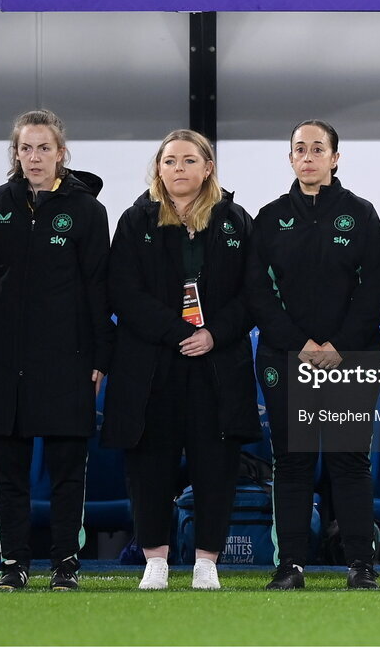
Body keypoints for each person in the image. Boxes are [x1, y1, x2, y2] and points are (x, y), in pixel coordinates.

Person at [101, 129, 260, 590]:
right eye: (169, 161)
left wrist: (213, 334)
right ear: (158, 168)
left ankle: (207, 562)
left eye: (189, 160)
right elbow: (124, 291)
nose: (178, 169)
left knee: (216, 462)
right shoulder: (136, 219)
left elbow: (254, 293)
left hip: (217, 362)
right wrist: (179, 333)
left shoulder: (236, 220)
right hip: (152, 363)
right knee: (150, 461)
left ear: (207, 168)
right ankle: (155, 560)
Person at [0, 109, 113, 591]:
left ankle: (65, 563)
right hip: (2, 360)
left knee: (67, 470)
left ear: (61, 153)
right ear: (15, 153)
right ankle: (13, 563)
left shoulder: (88, 211)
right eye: (26, 148)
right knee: (7, 471)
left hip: (67, 359)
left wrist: (101, 357)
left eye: (44, 148)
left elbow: (99, 289)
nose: (34, 157)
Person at [247, 120, 380, 590]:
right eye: (299, 149)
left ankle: (360, 565)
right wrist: (300, 345)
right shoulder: (269, 218)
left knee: (350, 460)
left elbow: (374, 289)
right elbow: (258, 292)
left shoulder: (361, 214)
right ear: (290, 158)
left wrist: (337, 347)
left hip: (352, 359)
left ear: (335, 158)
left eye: (317, 149)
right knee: (292, 461)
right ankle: (290, 565)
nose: (308, 157)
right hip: (287, 359)